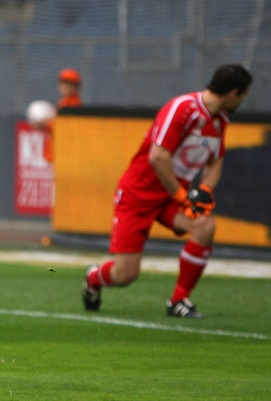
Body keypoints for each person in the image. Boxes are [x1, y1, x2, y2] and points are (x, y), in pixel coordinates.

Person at [82, 64, 253, 318]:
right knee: (126, 275)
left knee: (204, 227)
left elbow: (216, 162)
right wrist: (183, 196)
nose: (242, 101)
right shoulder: (183, 109)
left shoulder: (219, 121)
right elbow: (157, 157)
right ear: (233, 93)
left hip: (171, 195)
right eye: (242, 95)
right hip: (138, 194)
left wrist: (203, 191)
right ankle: (94, 278)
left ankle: (179, 300)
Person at [41, 67, 83, 164]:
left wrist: (46, 124)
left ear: (77, 87)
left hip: (66, 155)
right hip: (58, 154)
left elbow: (67, 129)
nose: (66, 86)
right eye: (63, 83)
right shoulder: (62, 103)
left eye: (70, 84)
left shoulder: (74, 105)